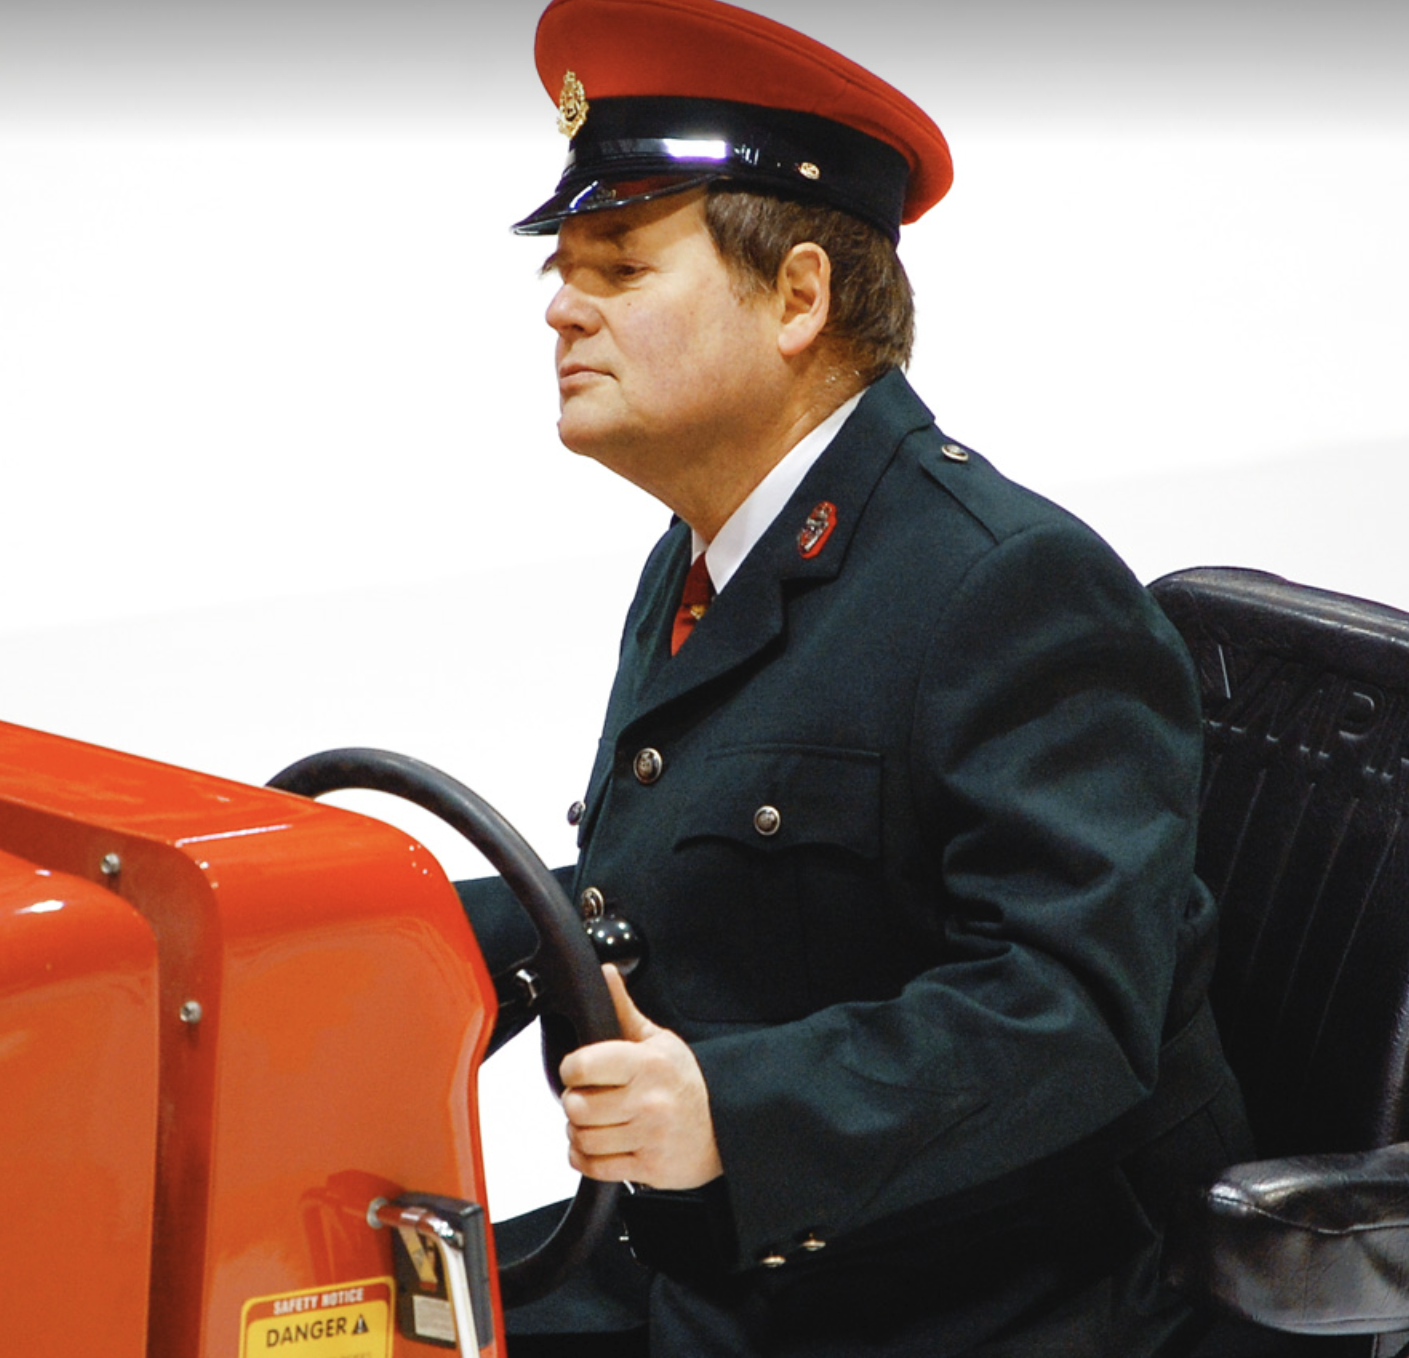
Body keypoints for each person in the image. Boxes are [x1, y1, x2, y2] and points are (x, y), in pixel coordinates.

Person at [458, 2, 1252, 1353]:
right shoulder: (709, 551)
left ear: (799, 297)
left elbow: (1068, 1014)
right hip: (731, 1257)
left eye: (621, 266)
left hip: (973, 1297)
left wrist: (730, 1109)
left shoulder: (1007, 585)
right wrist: (366, 935)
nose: (561, 304)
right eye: (566, 267)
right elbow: (685, 884)